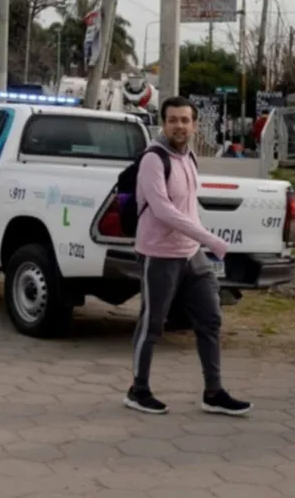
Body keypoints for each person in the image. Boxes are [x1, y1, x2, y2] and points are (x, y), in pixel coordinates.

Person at [125, 96, 252, 417]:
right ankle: (138, 390)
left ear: (194, 125)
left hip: (192, 255)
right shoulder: (153, 159)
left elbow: (187, 209)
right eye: (172, 120)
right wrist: (210, 239)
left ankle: (214, 392)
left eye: (185, 120)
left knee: (210, 320)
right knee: (152, 324)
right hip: (159, 254)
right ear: (163, 124)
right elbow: (163, 211)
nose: (179, 126)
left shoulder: (190, 158)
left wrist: (201, 242)